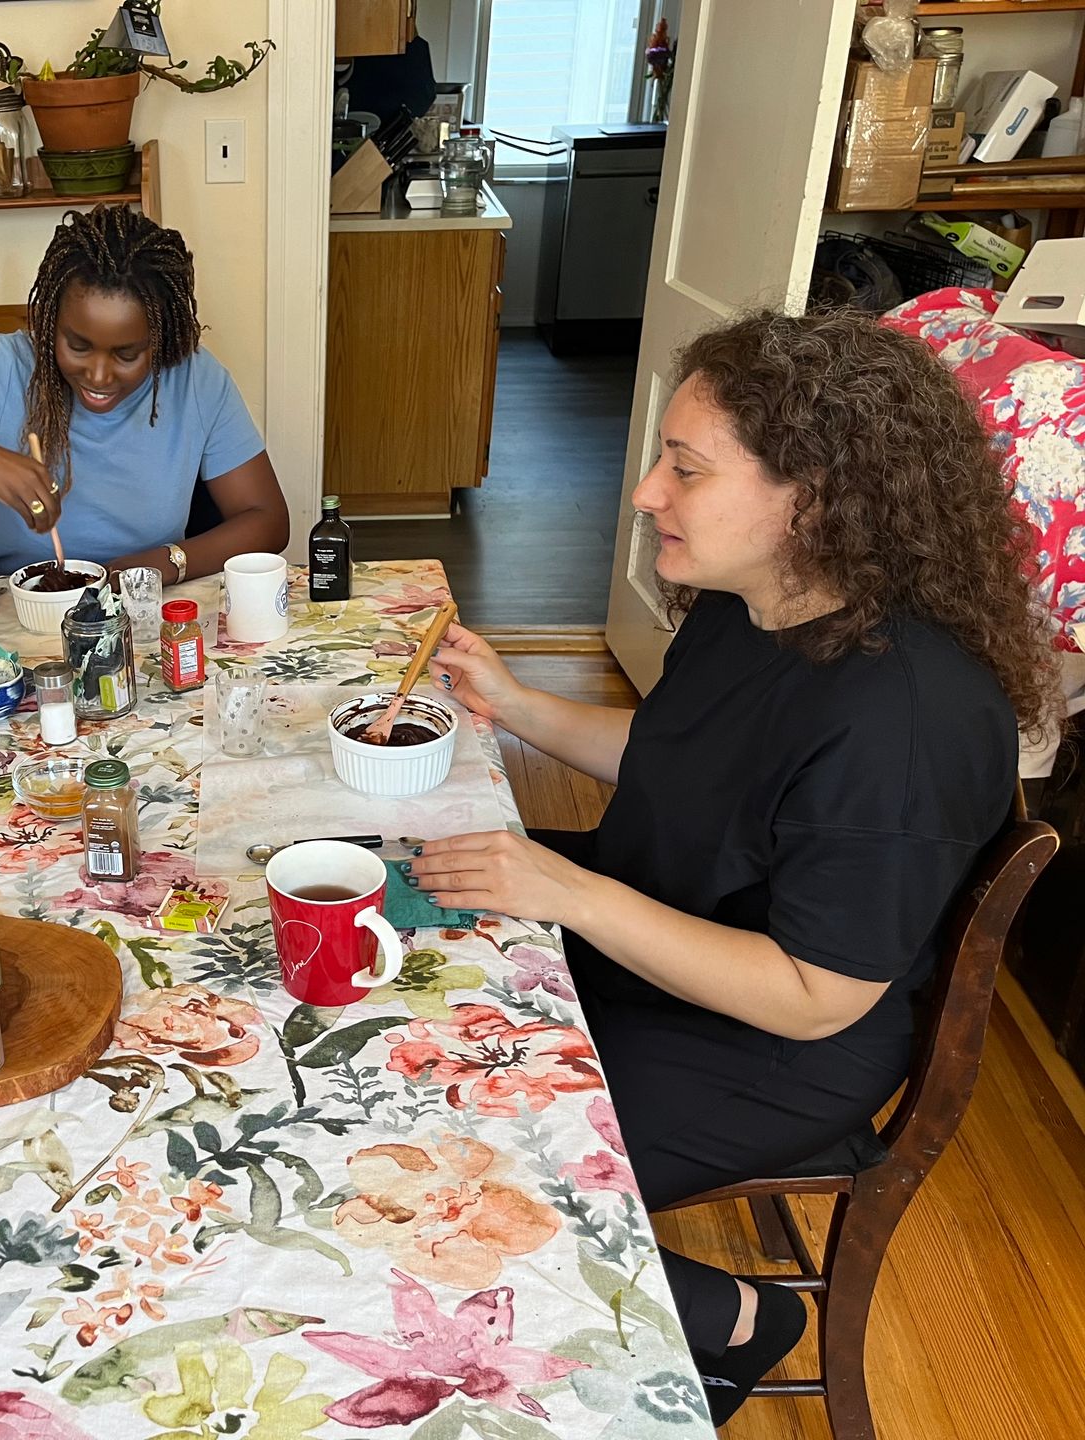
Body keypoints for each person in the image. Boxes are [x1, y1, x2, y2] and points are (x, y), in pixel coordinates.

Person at [408, 309, 1054, 1424]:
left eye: (686, 467)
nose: (648, 490)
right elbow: (677, 768)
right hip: (657, 927)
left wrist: (567, 891)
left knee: (448, 1180)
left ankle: (735, 1320)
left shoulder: (899, 719)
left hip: (765, 1041)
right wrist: (515, 707)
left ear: (811, 495)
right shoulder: (760, 602)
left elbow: (816, 995)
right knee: (406, 901)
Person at [0, 205, 289, 580]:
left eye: (128, 354)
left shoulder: (194, 379)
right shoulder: (4, 370)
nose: (100, 376)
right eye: (77, 345)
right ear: (50, 324)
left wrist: (163, 564)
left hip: (144, 603)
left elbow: (267, 519)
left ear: (162, 340)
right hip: (20, 612)